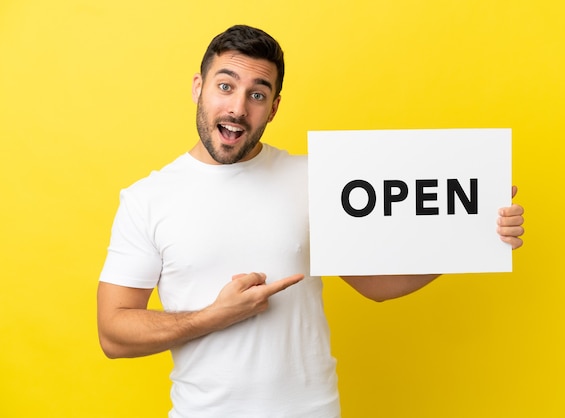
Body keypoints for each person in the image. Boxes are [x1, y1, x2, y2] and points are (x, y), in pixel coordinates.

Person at [97, 24, 525, 418]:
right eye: (225, 86)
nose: (238, 107)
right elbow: (114, 332)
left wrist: (472, 236)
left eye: (257, 94)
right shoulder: (146, 200)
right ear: (198, 87)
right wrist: (215, 315)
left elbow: (376, 284)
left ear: (274, 106)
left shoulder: (315, 178)